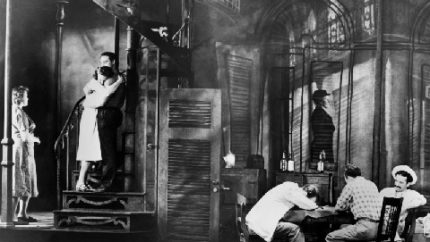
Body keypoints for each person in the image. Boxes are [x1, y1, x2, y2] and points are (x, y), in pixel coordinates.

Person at [75, 66, 124, 191]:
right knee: (87, 150)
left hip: (93, 115)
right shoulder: (95, 83)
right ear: (97, 74)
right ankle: (80, 182)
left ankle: (82, 182)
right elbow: (105, 95)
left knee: (91, 151)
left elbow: (104, 96)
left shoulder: (101, 85)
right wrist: (118, 82)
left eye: (104, 76)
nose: (102, 78)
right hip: (90, 115)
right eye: (100, 75)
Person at [92, 51, 126, 192]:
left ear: (113, 62)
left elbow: (103, 97)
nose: (102, 65)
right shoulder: (116, 77)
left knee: (107, 149)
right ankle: (104, 179)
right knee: (106, 148)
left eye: (105, 62)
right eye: (101, 62)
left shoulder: (112, 78)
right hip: (110, 114)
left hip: (107, 114)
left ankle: (106, 183)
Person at [246, 182, 319, 242]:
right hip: (259, 225)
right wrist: (316, 207)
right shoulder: (291, 188)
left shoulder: (288, 189)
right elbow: (308, 205)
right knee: (295, 230)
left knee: (289, 227)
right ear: (306, 194)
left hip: (257, 222)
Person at [325, 164, 382, 242]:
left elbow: (338, 206)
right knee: (343, 227)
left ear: (347, 177)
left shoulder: (351, 185)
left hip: (365, 228)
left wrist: (347, 205)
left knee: (330, 237)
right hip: (380, 229)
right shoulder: (372, 184)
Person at [11, 86, 41, 224]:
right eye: (26, 96)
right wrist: (36, 139)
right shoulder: (18, 112)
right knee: (20, 180)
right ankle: (11, 217)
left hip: (25, 149)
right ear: (19, 97)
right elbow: (24, 136)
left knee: (26, 178)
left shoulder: (20, 111)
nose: (28, 98)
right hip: (21, 148)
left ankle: (22, 214)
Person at [380, 165, 427, 241]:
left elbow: (423, 200)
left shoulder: (411, 194)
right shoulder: (386, 191)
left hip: (398, 225)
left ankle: (395, 238)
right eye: (396, 181)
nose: (397, 184)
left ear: (408, 184)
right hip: (381, 223)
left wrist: (405, 206)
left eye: (401, 182)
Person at [310, 89, 335, 170]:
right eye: (325, 99)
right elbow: (321, 132)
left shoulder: (319, 113)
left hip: (322, 148)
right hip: (322, 150)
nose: (327, 101)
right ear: (321, 101)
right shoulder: (319, 113)